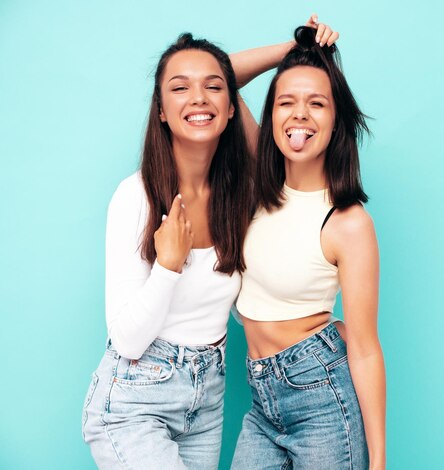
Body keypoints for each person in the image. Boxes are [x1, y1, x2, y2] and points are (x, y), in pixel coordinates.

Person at [81, 17, 338, 469]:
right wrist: (167, 266)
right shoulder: (136, 196)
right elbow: (126, 339)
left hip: (207, 398)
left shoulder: (245, 192)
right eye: (179, 89)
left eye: (212, 89)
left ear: (233, 107)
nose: (198, 99)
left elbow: (226, 73)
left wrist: (299, 47)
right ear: (160, 109)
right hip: (134, 400)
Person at [231, 26, 386, 470]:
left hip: (321, 397)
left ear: (335, 120)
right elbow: (221, 75)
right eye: (287, 102)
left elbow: (364, 348)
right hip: (262, 401)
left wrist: (378, 462)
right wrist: (295, 49)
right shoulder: (261, 176)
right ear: (273, 113)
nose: (300, 115)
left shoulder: (347, 222)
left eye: (316, 103)